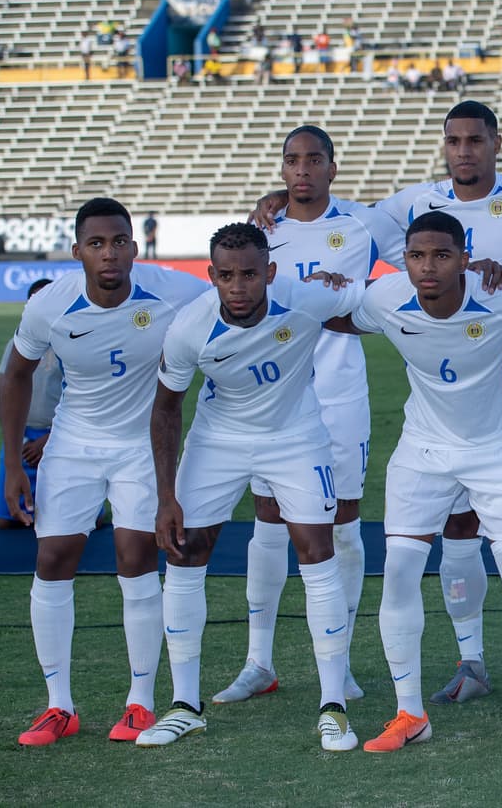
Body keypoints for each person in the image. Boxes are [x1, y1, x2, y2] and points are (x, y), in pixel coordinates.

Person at [326, 211, 502, 757]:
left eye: (441, 255)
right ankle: (410, 711)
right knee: (400, 573)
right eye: (416, 256)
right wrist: (320, 287)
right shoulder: (386, 296)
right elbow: (337, 313)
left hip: (500, 451)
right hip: (423, 451)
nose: (427, 267)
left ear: (463, 257)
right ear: (403, 259)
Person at [138, 223, 361, 751]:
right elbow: (166, 410)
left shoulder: (306, 300)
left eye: (250, 275)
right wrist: (166, 496)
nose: (238, 287)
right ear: (211, 275)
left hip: (295, 436)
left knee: (317, 552)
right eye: (227, 276)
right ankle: (185, 705)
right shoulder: (190, 328)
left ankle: (334, 706)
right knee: (186, 552)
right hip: (219, 439)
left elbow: (381, 308)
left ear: (271, 273)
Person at [0, 197, 209, 746]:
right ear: (77, 252)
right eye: (96, 244)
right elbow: (15, 376)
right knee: (52, 558)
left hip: (143, 446)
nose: (109, 253)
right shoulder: (50, 306)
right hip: (73, 442)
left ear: (135, 248)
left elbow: (239, 297)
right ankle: (58, 706)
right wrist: (13, 463)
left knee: (135, 557)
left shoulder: (175, 290)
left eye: (119, 242)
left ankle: (140, 702)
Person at [211, 126, 398, 708]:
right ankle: (258, 661)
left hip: (340, 395)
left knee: (342, 522)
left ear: (332, 167)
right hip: (276, 399)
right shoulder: (263, 229)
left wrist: (360, 288)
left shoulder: (365, 224)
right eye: (292, 160)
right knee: (268, 518)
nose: (302, 170)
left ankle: (336, 667)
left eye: (314, 159)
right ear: (282, 168)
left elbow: (426, 258)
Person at [0, 279, 60, 530]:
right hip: (21, 436)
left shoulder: (72, 344)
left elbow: (81, 398)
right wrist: (20, 440)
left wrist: (49, 439)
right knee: (6, 519)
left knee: (87, 518)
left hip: (61, 435)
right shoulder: (15, 344)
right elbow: (2, 397)